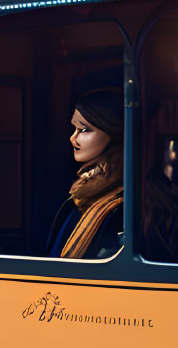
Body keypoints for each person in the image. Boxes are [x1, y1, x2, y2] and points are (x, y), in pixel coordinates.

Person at [47, 88, 125, 260]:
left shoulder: (119, 206)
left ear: (111, 133)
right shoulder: (86, 189)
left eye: (83, 130)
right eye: (74, 129)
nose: (72, 138)